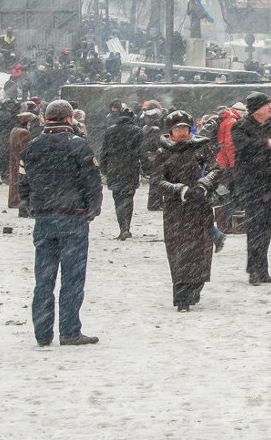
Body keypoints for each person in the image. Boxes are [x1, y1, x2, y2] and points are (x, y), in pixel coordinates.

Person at [19, 99, 103, 345]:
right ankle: (69, 331)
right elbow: (93, 184)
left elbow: (23, 185)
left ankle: (43, 333)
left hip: (44, 218)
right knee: (72, 278)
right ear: (69, 119)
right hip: (73, 217)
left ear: (46, 119)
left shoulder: (32, 147)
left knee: (43, 279)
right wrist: (90, 212)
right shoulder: (79, 146)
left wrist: (35, 207)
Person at [151, 110, 222, 311]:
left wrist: (203, 185)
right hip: (176, 210)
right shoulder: (163, 153)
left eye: (185, 128)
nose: (182, 133)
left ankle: (195, 288)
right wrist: (178, 189)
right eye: (177, 129)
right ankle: (181, 295)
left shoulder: (202, 147)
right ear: (170, 131)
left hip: (201, 207)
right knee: (179, 251)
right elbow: (157, 181)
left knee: (201, 249)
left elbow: (216, 169)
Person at [231, 91, 271, 285]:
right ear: (257, 109)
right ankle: (253, 270)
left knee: (265, 229)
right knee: (254, 229)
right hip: (251, 185)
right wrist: (266, 143)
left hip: (269, 185)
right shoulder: (240, 126)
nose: (270, 107)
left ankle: (262, 269)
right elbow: (243, 146)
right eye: (266, 105)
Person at [100, 106, 142, 240]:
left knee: (117, 199)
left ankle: (121, 227)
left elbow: (104, 151)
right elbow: (141, 152)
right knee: (128, 198)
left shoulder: (110, 131)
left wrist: (104, 168)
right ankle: (126, 227)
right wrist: (146, 168)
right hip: (131, 168)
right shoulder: (137, 131)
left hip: (114, 169)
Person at [8, 111, 36, 216]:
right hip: (20, 159)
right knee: (22, 182)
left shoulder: (14, 130)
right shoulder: (25, 133)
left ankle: (13, 200)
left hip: (13, 158)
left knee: (14, 180)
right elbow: (26, 148)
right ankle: (19, 203)